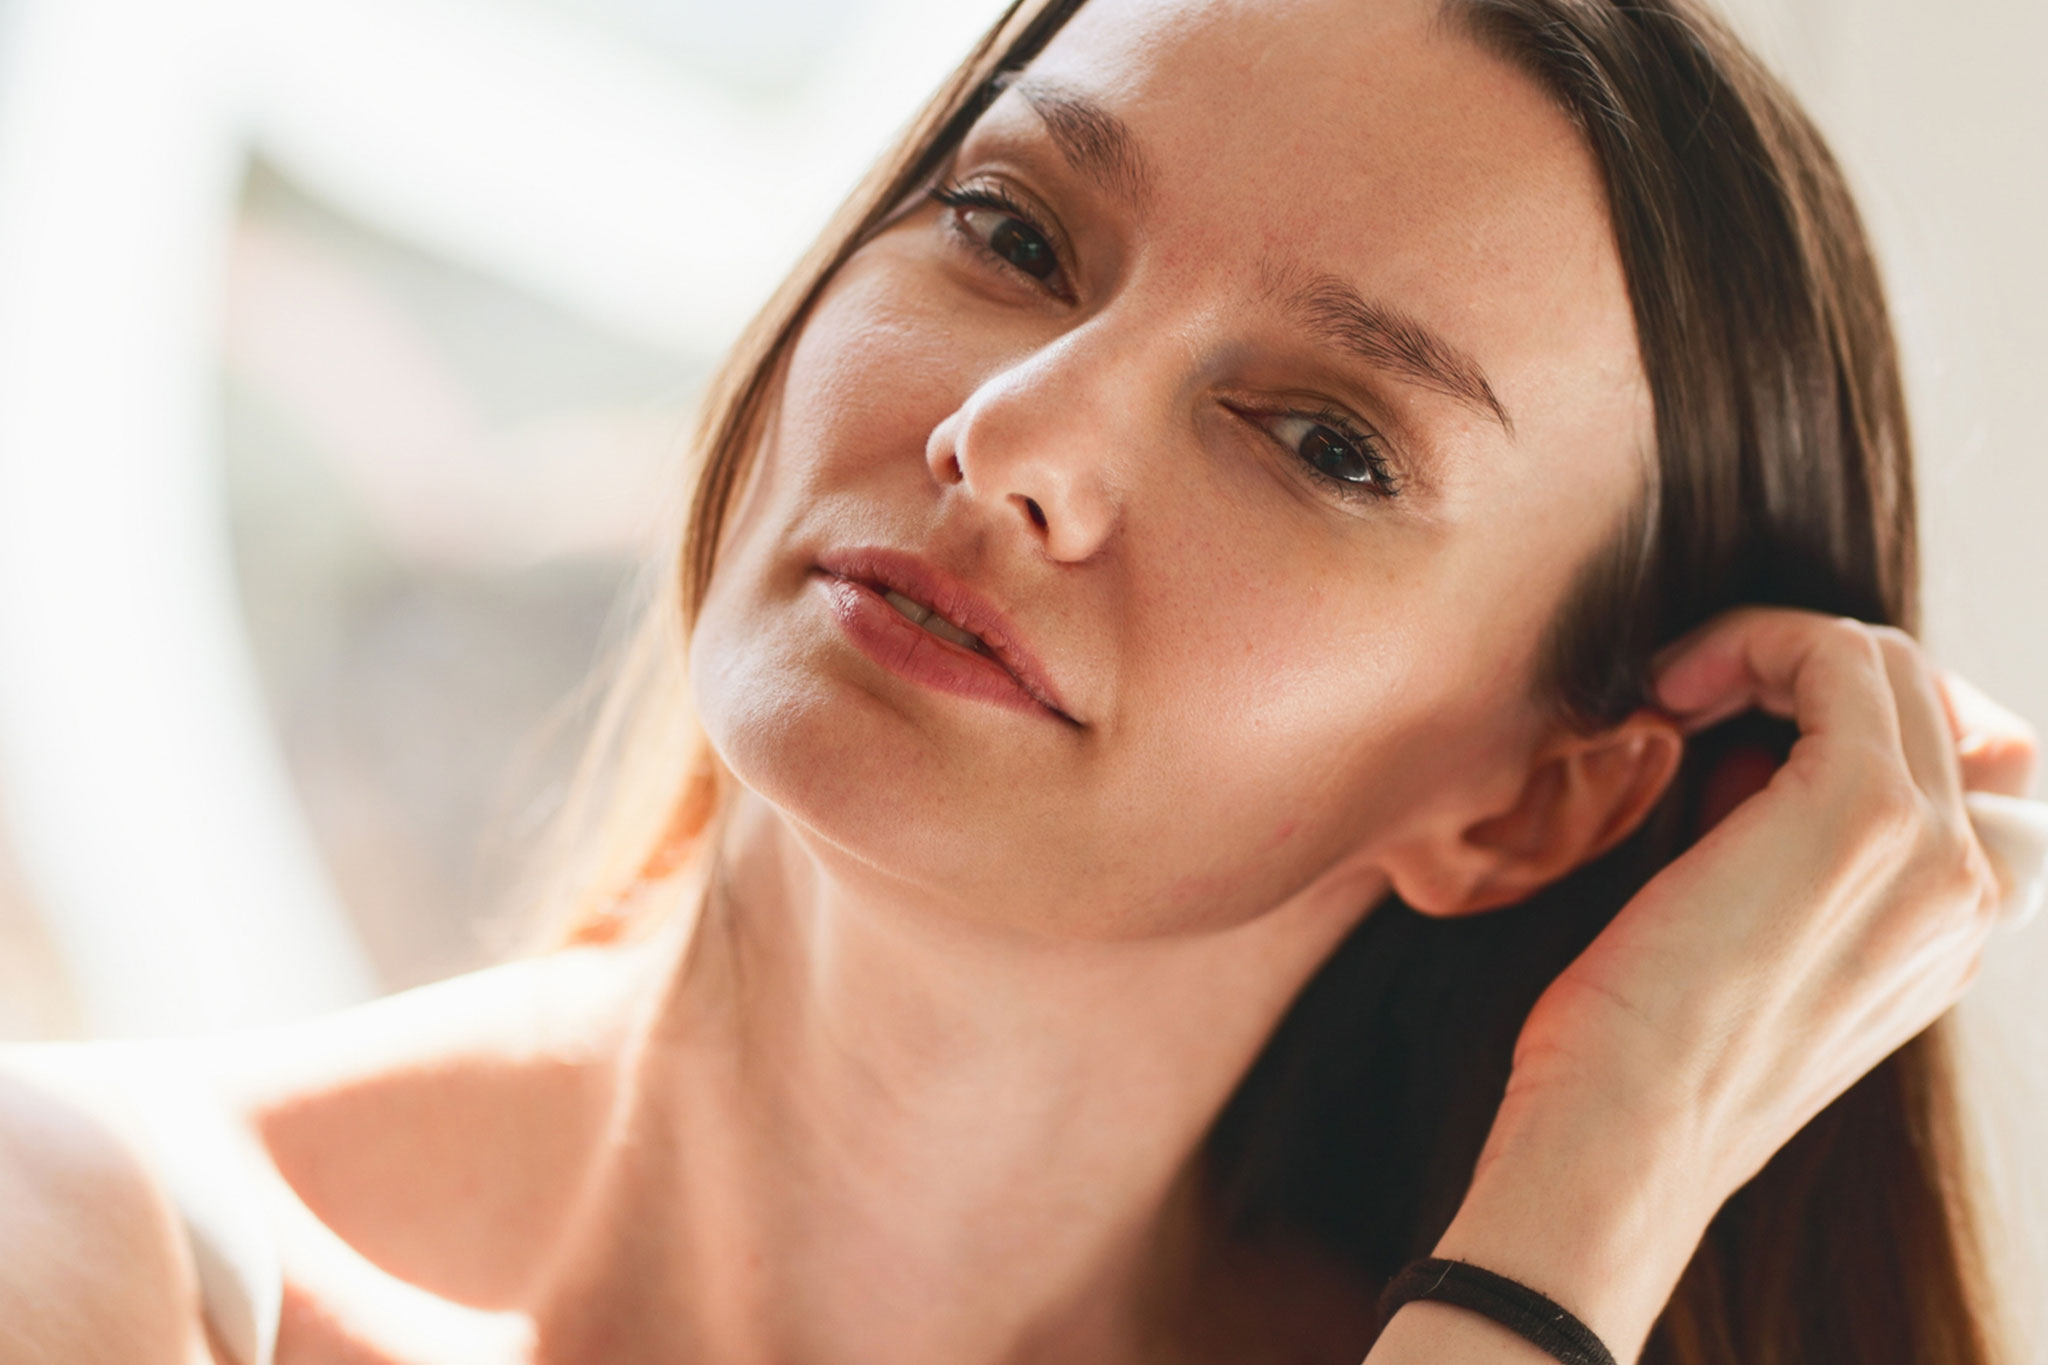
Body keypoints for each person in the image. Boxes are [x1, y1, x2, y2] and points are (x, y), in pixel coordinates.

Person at [1, 0, 2040, 1361]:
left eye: (1322, 439)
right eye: (1008, 227)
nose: (1017, 431)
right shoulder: (100, 1255)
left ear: (1525, 804)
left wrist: (1616, 1152)